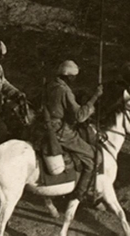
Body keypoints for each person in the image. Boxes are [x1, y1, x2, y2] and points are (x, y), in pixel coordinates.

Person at [44, 60, 102, 202]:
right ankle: (79, 194)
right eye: (74, 77)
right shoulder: (64, 90)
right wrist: (95, 97)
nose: (75, 79)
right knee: (95, 156)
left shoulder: (51, 85)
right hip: (60, 131)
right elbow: (80, 116)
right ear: (69, 76)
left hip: (45, 124)